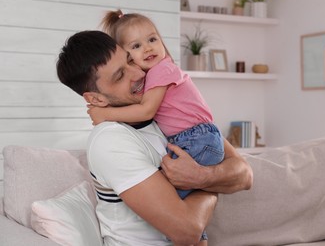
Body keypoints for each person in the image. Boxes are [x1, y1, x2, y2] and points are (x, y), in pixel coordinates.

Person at [56, 30, 253, 246]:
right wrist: (210, 181)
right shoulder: (110, 140)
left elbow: (245, 175)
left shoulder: (164, 107)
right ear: (96, 98)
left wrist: (202, 176)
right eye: (120, 76)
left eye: (131, 60)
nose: (139, 74)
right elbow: (187, 230)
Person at [88, 11, 224, 201]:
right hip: (196, 138)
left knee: (172, 200)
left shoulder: (161, 70)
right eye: (136, 45)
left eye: (152, 39)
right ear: (126, 56)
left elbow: (146, 111)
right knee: (176, 197)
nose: (148, 48)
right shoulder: (156, 74)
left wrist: (105, 114)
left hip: (196, 139)